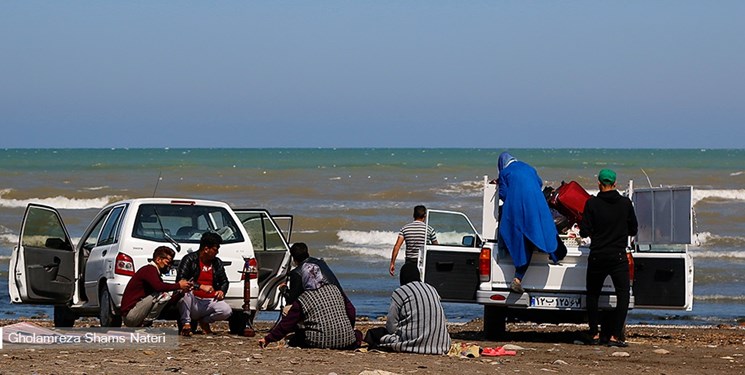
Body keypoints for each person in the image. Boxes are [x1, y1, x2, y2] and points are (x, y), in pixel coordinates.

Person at [579, 168, 638, 347]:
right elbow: (633, 229)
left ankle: (594, 334)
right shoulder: (625, 203)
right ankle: (614, 336)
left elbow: (584, 231)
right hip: (618, 256)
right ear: (615, 184)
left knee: (593, 295)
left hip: (598, 255)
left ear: (599, 184)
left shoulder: (592, 203)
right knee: (623, 295)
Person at [496, 151, 560, 293]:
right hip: (537, 206)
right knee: (542, 230)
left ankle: (517, 277)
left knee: (517, 236)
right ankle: (555, 255)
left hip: (518, 210)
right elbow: (539, 183)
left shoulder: (505, 173)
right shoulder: (529, 168)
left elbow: (504, 195)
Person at [258, 263, 360, 349]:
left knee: (296, 337)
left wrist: (268, 339)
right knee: (358, 334)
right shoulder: (335, 289)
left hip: (318, 342)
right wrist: (348, 328)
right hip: (347, 341)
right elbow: (351, 311)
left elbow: (287, 324)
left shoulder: (303, 299)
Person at [364, 262, 451, 354]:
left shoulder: (400, 292)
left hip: (415, 343)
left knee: (374, 334)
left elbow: (391, 325)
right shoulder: (432, 289)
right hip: (442, 344)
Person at [120, 246, 192, 327]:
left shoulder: (155, 274)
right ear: (158, 260)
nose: (169, 266)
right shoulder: (149, 270)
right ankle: (144, 325)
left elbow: (168, 301)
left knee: (165, 295)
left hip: (136, 313)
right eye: (167, 262)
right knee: (163, 294)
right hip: (131, 315)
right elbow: (159, 287)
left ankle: (145, 324)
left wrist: (181, 293)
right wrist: (178, 285)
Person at [176, 231, 232, 336]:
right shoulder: (189, 259)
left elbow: (224, 281)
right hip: (193, 300)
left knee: (226, 310)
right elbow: (181, 281)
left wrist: (221, 291)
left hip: (209, 301)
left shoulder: (217, 262)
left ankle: (205, 321)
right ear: (206, 249)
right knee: (185, 293)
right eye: (215, 249)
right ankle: (186, 323)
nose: (217, 252)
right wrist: (200, 286)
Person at [389, 205, 438, 276]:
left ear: (413, 215)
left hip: (409, 262)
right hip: (423, 263)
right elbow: (436, 247)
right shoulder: (429, 229)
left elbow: (397, 246)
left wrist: (392, 263)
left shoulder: (405, 229)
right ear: (425, 216)